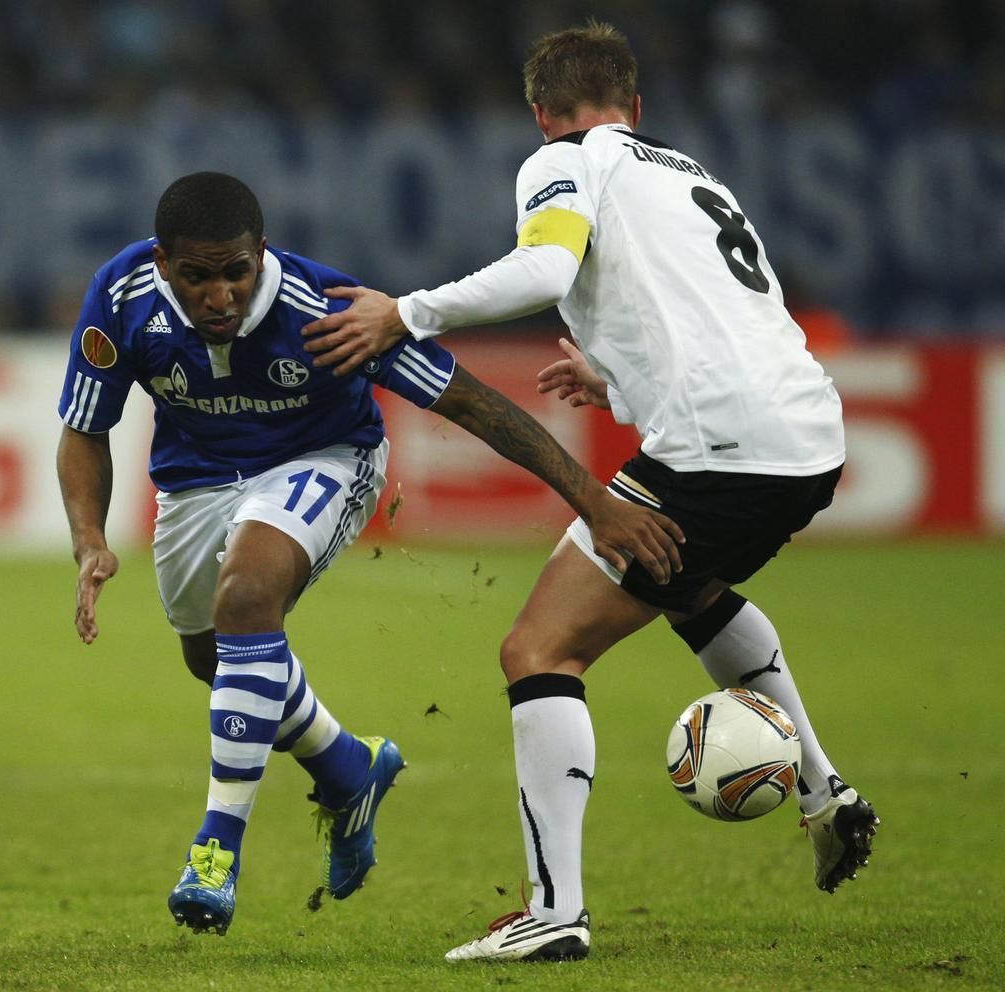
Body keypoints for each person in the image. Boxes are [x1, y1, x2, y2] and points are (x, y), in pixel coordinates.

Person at [301, 21, 879, 964]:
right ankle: (823, 790)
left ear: (541, 115)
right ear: (637, 105)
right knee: (690, 590)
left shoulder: (565, 160)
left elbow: (545, 270)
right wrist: (620, 378)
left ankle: (553, 909)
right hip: (808, 437)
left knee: (539, 647)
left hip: (717, 446)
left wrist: (404, 312)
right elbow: (724, 314)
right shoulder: (691, 173)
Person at [55, 171, 683, 937]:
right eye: (196, 276)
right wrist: (89, 539)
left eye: (234, 272)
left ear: (260, 254)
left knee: (246, 599)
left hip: (324, 458)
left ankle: (215, 853)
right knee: (215, 662)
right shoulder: (122, 296)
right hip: (194, 482)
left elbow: (470, 402)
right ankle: (348, 768)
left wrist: (595, 501)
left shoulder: (328, 311)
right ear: (162, 263)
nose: (218, 295)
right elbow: (86, 427)